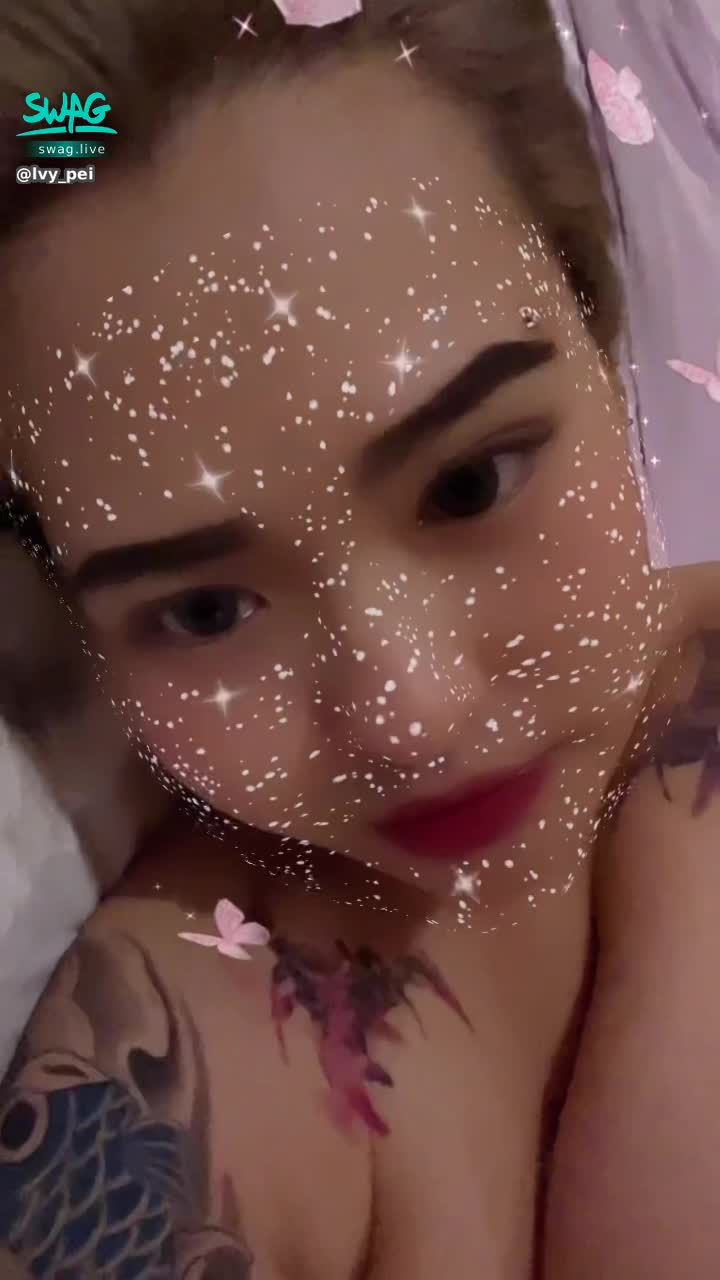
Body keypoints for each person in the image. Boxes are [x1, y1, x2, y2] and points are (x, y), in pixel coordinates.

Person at [0, 0, 717, 1275]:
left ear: (598, 326)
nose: (411, 710)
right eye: (205, 609)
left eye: (469, 483)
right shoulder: (183, 1074)